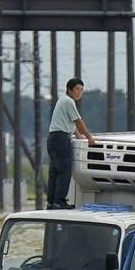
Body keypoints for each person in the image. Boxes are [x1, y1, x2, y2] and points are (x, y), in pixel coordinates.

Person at [46, 78, 95, 209]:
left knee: (55, 171)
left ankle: (51, 202)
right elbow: (78, 121)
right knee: (64, 170)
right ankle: (59, 201)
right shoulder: (68, 101)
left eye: (81, 90)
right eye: (77, 89)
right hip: (61, 138)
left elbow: (70, 123)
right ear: (69, 89)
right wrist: (89, 138)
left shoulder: (62, 101)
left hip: (53, 138)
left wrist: (78, 136)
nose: (79, 93)